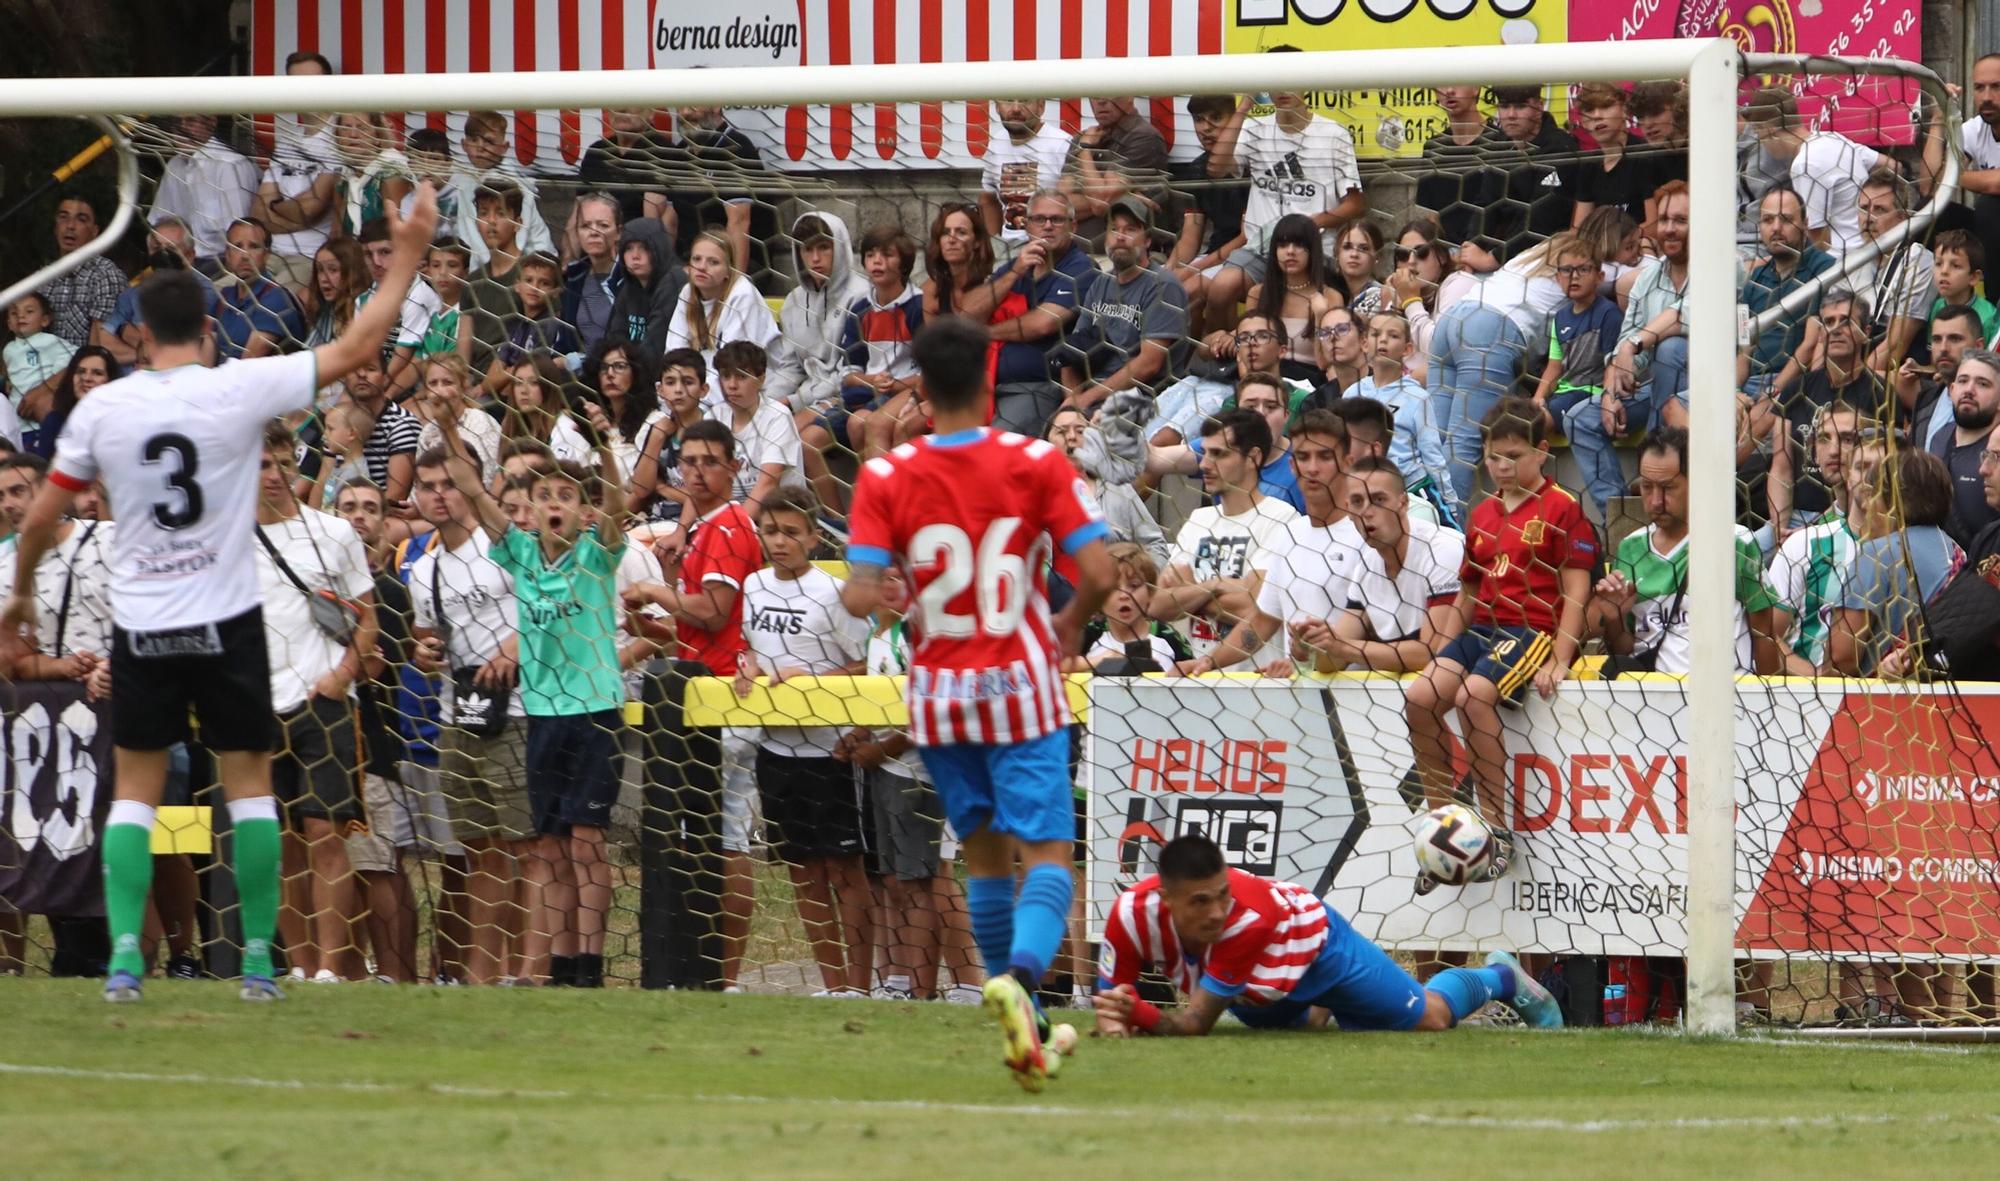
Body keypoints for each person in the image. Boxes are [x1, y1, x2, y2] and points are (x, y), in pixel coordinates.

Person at [2, 183, 440, 1003]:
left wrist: (21, 595)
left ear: (138, 333)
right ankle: (259, 966)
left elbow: (44, 515)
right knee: (248, 787)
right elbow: (358, 348)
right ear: (208, 326)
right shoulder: (240, 384)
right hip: (226, 617)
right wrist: (408, 251)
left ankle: (128, 957)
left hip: (143, 621)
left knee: (132, 791)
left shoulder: (106, 407)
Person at [840, 316, 1115, 1091]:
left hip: (939, 695)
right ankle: (1022, 976)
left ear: (921, 393)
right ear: (990, 383)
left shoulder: (888, 476)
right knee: (1051, 856)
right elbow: (1096, 571)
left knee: (986, 859)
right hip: (1019, 684)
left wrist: (885, 585)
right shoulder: (1035, 461)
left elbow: (862, 597)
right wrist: (1065, 624)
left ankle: (1017, 1024)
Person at [435, 391, 629, 989]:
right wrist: (445, 426)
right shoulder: (520, 555)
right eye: (544, 497)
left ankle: (590, 964)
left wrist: (603, 446)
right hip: (542, 715)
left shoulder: (598, 557)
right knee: (547, 844)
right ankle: (559, 963)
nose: (553, 505)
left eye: (565, 497)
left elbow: (620, 503)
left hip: (595, 712)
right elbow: (471, 490)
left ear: (580, 510)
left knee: (587, 842)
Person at [1403, 398, 1596, 893]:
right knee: (1421, 696)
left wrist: (1560, 658)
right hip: (1480, 631)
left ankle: (1495, 829)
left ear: (1541, 452)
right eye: (1493, 457)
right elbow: (1469, 590)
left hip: (1530, 631)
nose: (1501, 467)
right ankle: (1443, 827)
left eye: (1513, 456)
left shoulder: (1563, 509)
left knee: (1472, 696)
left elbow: (1577, 589)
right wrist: (1444, 645)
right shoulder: (1483, 513)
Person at [1091, 834, 1560, 1037]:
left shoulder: (1243, 920)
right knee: (1282, 1027)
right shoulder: (1129, 915)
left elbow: (1196, 1024)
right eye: (1200, 902)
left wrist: (1141, 1016)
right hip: (1262, 984)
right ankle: (1320, 1009)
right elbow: (1113, 1000)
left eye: (1223, 895)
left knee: (1431, 1018)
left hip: (1316, 946)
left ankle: (1503, 976)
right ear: (1166, 899)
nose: (1217, 913)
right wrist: (1116, 1024)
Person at [622, 419, 762, 988]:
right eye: (690, 460)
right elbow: (693, 626)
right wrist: (651, 624)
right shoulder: (706, 526)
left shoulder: (728, 525)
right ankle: (702, 968)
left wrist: (659, 593)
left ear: (733, 467)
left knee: (719, 837)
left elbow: (714, 613)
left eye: (710, 460)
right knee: (702, 835)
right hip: (702, 690)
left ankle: (719, 975)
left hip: (722, 697)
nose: (698, 470)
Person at [251, 427, 379, 986]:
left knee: (325, 833)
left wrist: (343, 675)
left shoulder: (333, 533)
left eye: (284, 462)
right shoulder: (229, 538)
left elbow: (368, 620)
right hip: (257, 705)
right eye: (264, 465)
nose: (276, 475)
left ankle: (330, 968)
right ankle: (299, 967)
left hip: (323, 700)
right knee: (278, 843)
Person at [406, 449, 539, 986]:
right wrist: (424, 654)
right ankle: (484, 974)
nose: (439, 494)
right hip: (458, 715)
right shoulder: (421, 569)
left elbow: (550, 603)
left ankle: (531, 970)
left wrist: (513, 647)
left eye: (448, 484)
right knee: (479, 849)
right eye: (427, 485)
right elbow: (422, 636)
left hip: (521, 710)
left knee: (527, 849)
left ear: (470, 487)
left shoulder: (503, 548)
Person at [735, 487, 872, 996]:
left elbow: (866, 661)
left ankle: (861, 983)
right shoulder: (751, 586)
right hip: (775, 748)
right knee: (802, 869)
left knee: (844, 869)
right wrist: (746, 663)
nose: (780, 541)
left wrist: (815, 680)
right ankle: (832, 985)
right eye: (771, 531)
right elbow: (745, 646)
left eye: (792, 532)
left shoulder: (833, 593)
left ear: (814, 537)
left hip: (830, 750)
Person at [1593, 428, 1783, 677]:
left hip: (1726, 700)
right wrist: (1615, 619)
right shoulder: (1631, 548)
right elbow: (1626, 647)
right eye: (1647, 487)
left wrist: (1767, 699)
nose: (1655, 501)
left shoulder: (1733, 542)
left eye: (1668, 488)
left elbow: (1764, 633)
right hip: (1651, 699)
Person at [1201, 409, 1363, 677]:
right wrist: (1208, 663)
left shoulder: (1366, 534)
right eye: (1302, 457)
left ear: (1348, 462)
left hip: (1360, 693)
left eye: (1324, 456)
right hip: (1300, 694)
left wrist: (1306, 660)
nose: (1312, 468)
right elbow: (1263, 621)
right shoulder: (1290, 533)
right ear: (1291, 465)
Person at [1205, 55, 1367, 316]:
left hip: (1311, 249)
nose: (1283, 90)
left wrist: (1312, 223)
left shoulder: (1334, 134)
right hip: (1261, 249)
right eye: (1275, 81)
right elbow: (1216, 169)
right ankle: (1222, 351)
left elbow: (1356, 203)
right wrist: (1246, 103)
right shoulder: (1254, 128)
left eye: (1291, 80)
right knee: (1220, 289)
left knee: (1300, 307)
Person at [1154, 408, 1299, 666]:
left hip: (1254, 682)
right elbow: (1160, 605)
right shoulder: (1199, 519)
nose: (1204, 465)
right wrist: (1215, 585)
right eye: (1205, 452)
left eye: (1218, 454)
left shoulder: (1281, 518)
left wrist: (1190, 592)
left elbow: (1256, 610)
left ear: (1253, 457)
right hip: (1192, 674)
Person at [1323, 456, 1464, 673]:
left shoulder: (1444, 548)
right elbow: (1334, 658)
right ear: (1348, 510)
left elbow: (1432, 652)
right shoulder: (1367, 564)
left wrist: (1343, 647)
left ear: (1404, 503)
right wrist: (1309, 647)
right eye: (1357, 502)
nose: (1367, 512)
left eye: (1378, 500)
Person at [1828, 447, 1962, 676]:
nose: (1865, 506)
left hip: (1883, 704)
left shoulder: (1877, 553)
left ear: (1892, 502)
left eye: (1873, 496)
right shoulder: (1956, 550)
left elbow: (1840, 658)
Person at [1768, 291, 1886, 545]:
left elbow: (1877, 478)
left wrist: (1814, 530)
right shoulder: (1796, 389)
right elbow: (1781, 467)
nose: (1836, 329)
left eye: (1845, 321)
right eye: (1829, 322)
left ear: (1865, 331)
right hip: (1792, 516)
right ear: (1821, 334)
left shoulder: (1882, 395)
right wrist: (1780, 528)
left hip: (1849, 518)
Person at [1052, 197, 1188, 415]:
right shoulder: (1101, 283)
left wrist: (1085, 400)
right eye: (1114, 229)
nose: (1120, 237)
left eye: (1131, 229)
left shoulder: (1163, 285)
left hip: (1141, 396)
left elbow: (1149, 364)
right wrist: (1072, 405)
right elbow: (1073, 352)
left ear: (1147, 241)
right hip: (1093, 393)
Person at [978, 190, 1094, 435]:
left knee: (997, 447)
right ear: (1027, 225)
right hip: (984, 383)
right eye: (1039, 219)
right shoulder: (1020, 263)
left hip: (1036, 386)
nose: (1048, 226)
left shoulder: (1081, 267)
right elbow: (971, 311)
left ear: (1073, 226)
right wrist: (1014, 271)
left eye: (1057, 219)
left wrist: (983, 333)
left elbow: (1043, 323)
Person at [1545, 233, 1641, 520]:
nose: (1573, 277)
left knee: (1534, 425)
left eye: (1582, 269)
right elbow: (1553, 367)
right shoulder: (1560, 318)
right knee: (1519, 416)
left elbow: (1615, 366)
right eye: (1566, 270)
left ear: (1599, 276)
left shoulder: (1608, 314)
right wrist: (1537, 398)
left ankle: (1612, 515)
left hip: (1593, 393)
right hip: (1562, 393)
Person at [1768, 403, 1865, 672]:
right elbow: (1766, 635)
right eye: (1824, 438)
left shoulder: (1895, 540)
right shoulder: (1806, 543)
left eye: (1848, 439)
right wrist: (1816, 682)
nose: (1834, 450)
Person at [1743, 85, 1882, 266]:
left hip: (1841, 264)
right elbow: (1892, 165)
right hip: (1865, 251)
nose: (1761, 143)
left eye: (1758, 133)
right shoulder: (1833, 138)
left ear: (1767, 128)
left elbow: (1818, 241)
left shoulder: (1805, 163)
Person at [1344, 311, 1455, 525]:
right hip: (1366, 488)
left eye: (1393, 335)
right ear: (1365, 343)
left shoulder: (1417, 397)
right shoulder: (1352, 394)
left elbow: (1431, 452)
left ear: (1407, 349)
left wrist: (1449, 501)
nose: (1383, 339)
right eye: (1376, 334)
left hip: (1412, 488)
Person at [1604, 180, 1692, 423]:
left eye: (1680, 220)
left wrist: (1632, 345)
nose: (1670, 229)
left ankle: (1661, 447)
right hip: (1659, 382)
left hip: (1711, 384)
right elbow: (1627, 336)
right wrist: (1611, 390)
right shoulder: (1647, 279)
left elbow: (1683, 315)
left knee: (1671, 347)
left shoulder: (1725, 265)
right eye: (1664, 220)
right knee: (1580, 418)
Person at [1741, 185, 1836, 400]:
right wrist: (1735, 393)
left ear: (1805, 224)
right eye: (1767, 220)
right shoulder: (1755, 278)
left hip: (1790, 384)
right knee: (1674, 406)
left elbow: (1810, 344)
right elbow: (1743, 348)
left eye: (1785, 219)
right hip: (1749, 383)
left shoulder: (1824, 269)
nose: (1776, 227)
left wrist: (1770, 393)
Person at [770, 212, 869, 414]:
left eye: (824, 248)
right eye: (807, 249)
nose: (815, 258)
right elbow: (790, 367)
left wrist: (795, 401)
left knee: (796, 440)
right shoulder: (793, 301)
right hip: (806, 395)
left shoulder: (861, 295)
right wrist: (765, 401)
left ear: (839, 247)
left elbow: (850, 369)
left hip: (846, 396)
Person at [665, 230, 781, 400]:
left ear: (729, 269)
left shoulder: (742, 295)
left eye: (713, 262)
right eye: (696, 259)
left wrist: (690, 396)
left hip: (750, 391)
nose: (702, 267)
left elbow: (734, 367)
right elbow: (674, 353)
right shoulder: (688, 292)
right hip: (698, 390)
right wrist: (676, 390)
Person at [1167, 94, 1252, 325]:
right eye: (1199, 119)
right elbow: (1190, 237)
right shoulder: (1197, 167)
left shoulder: (1251, 165)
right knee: (1167, 290)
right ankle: (1184, 358)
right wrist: (1168, 271)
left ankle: (1216, 357)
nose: (1206, 128)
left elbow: (1245, 238)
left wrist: (1192, 270)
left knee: (1190, 290)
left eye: (1215, 118)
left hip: (1249, 252)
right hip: (1215, 253)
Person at [1238, 212, 1340, 385]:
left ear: (1312, 250)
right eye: (1283, 245)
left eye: (1299, 245)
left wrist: (1320, 316)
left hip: (1311, 383)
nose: (1290, 252)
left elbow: (1327, 361)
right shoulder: (1258, 293)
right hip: (1263, 381)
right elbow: (1244, 352)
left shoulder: (1330, 296)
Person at [446, 111, 556, 270]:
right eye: (473, 140)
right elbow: (468, 236)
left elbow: (518, 239)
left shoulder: (512, 184)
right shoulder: (466, 181)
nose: (480, 148)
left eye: (488, 141)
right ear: (463, 144)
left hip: (526, 268)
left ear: (504, 147)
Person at [253, 107, 343, 296]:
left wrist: (275, 207)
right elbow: (258, 214)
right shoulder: (287, 140)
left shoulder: (338, 140)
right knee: (217, 292)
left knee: (269, 300)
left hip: (308, 257)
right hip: (270, 253)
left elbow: (310, 208)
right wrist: (297, 216)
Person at [1855, 167, 1936, 372]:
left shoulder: (1918, 261)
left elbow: (1894, 345)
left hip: (1888, 375)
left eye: (1879, 209)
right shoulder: (1851, 262)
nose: (1868, 218)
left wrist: (1850, 390)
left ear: (1902, 218)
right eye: (1863, 208)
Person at [153, 113, 260, 269]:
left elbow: (241, 236)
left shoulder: (230, 165)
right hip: (179, 260)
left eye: (190, 120)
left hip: (220, 262)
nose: (182, 128)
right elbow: (159, 221)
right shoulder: (174, 165)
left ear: (211, 122)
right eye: (176, 121)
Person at [1062, 97, 1167, 247]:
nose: (1101, 101)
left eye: (1110, 92)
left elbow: (1100, 200)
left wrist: (1084, 151)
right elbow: (1061, 205)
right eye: (1095, 95)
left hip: (1126, 255)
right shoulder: (1083, 137)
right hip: (1075, 253)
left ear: (1129, 96)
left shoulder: (1144, 136)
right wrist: (1124, 196)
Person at [1487, 84, 1578, 258]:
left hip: (1548, 254)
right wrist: (1472, 247)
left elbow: (1543, 220)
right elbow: (1485, 204)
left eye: (1521, 106)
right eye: (1505, 106)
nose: (1511, 115)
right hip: (1499, 252)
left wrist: (1495, 258)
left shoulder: (1562, 148)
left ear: (1539, 107)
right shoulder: (1497, 146)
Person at [1926, 347, 2000, 545]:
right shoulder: (1939, 437)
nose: (1969, 389)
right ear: (1951, 390)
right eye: (1963, 381)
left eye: (1983, 384)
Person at [980, 99, 1074, 249]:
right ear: (997, 107)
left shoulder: (1061, 144)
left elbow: (1076, 204)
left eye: (1025, 101)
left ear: (1041, 106)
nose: (1016, 109)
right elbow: (988, 199)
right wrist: (994, 246)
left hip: (1049, 249)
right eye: (1009, 101)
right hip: (1008, 250)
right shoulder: (996, 143)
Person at [213, 218, 309, 360]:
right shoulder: (224, 297)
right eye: (237, 246)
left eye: (254, 246)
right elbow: (207, 352)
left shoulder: (276, 299)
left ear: (266, 255)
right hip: (222, 378)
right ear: (227, 254)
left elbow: (248, 364)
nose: (245, 255)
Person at [43, 194, 127, 351]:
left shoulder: (105, 274)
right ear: (55, 227)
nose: (70, 226)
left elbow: (100, 347)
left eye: (81, 219)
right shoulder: (44, 277)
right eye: (63, 217)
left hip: (87, 370)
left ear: (95, 232)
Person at [1569, 83, 1653, 228]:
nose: (1597, 116)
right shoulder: (1590, 164)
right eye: (1589, 110)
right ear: (1582, 122)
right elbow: (1578, 229)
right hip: (1598, 247)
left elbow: (1654, 225)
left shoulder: (1645, 156)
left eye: (1605, 106)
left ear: (1624, 110)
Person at [606, 217, 686, 356]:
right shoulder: (629, 286)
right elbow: (614, 337)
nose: (635, 256)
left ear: (658, 248)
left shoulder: (674, 281)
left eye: (644, 247)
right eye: (628, 248)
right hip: (630, 368)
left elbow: (656, 345)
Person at [561, 192, 626, 354]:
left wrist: (578, 362)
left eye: (603, 225)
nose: (593, 232)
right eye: (585, 226)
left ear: (619, 232)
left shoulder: (628, 279)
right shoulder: (574, 279)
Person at [4, 293, 67, 447]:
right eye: (14, 313)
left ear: (45, 320)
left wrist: (47, 390)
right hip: (18, 424)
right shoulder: (8, 349)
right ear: (9, 323)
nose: (21, 316)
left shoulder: (50, 341)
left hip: (42, 421)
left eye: (29, 311)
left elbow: (73, 360)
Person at [33, 345, 114, 462]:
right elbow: (43, 469)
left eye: (97, 373)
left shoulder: (119, 420)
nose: (86, 378)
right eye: (81, 371)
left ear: (111, 381)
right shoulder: (55, 420)